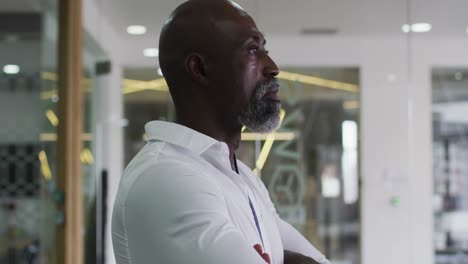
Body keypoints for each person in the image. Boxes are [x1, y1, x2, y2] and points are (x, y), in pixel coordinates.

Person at [112, 0, 330, 263]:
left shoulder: (245, 179)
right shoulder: (167, 176)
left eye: (264, 49)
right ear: (200, 69)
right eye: (252, 50)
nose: (272, 66)